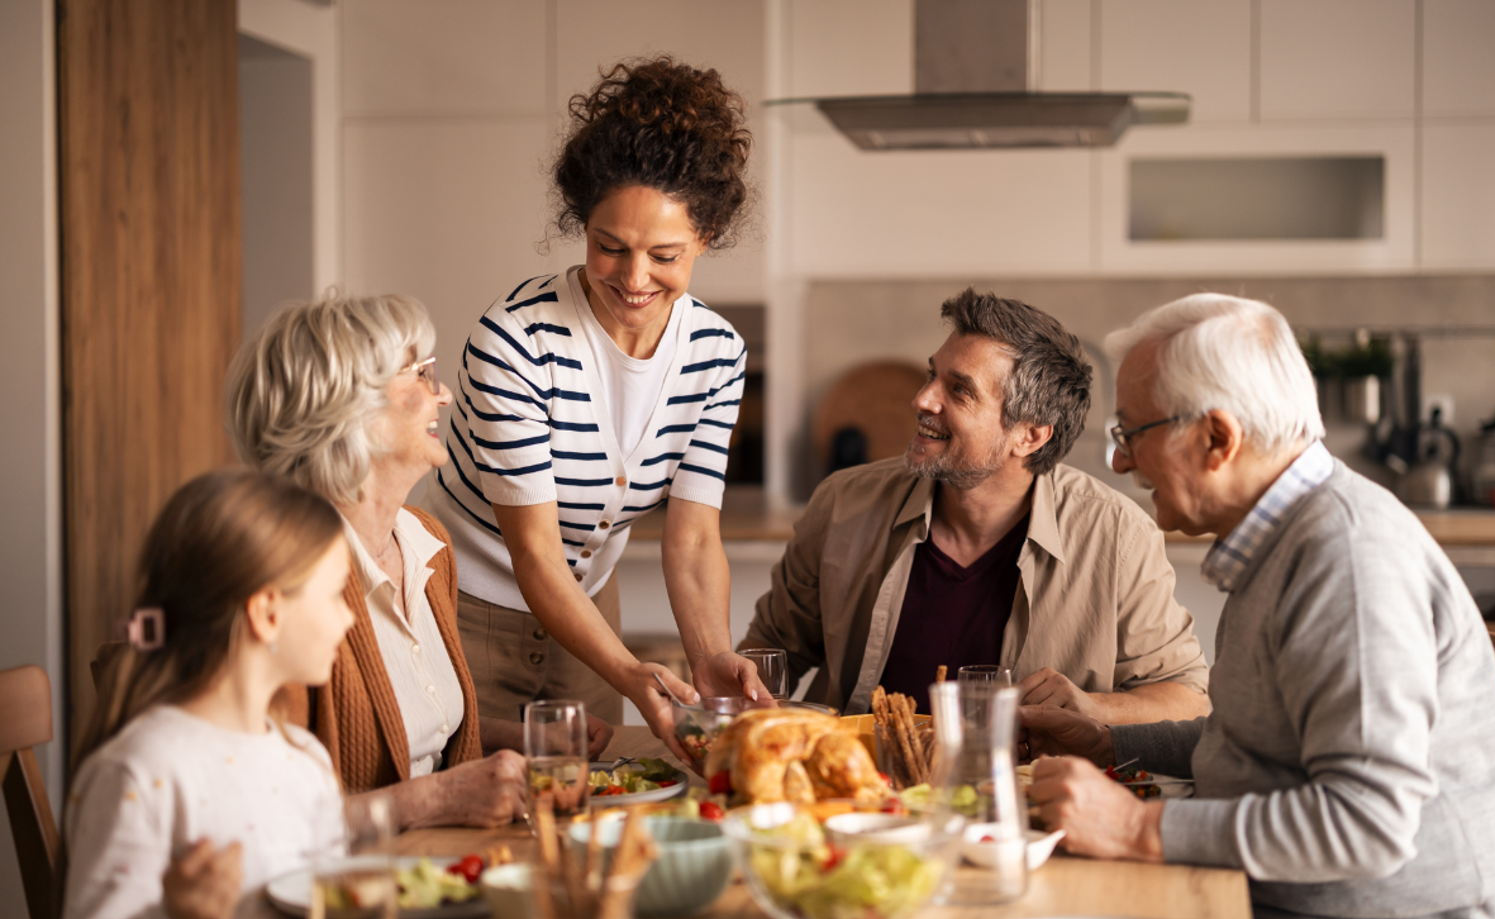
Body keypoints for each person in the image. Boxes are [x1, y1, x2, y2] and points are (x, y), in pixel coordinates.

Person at [1026, 294, 1495, 919]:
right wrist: (1105, 734)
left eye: (1131, 433)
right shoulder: (1283, 542)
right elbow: (1256, 740)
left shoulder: (1347, 559)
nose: (1122, 462)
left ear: (1216, 437)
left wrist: (1139, 832)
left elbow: (1366, 824)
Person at [425, 57, 769, 762]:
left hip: (587, 607)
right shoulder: (514, 339)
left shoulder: (716, 352)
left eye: (665, 255)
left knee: (595, 806)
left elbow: (694, 537)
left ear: (706, 238)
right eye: (609, 247)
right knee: (472, 808)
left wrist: (709, 659)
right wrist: (631, 671)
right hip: (465, 607)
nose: (634, 279)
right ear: (583, 226)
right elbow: (535, 552)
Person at [741, 288, 1210, 726]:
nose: (922, 399)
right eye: (932, 375)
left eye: (959, 390)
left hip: (1025, 802)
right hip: (863, 802)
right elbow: (769, 652)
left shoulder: (1117, 535)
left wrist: (1091, 707)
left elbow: (1188, 696)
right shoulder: (843, 503)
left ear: (1030, 435)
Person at [228, 295, 593, 829]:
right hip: (338, 896)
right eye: (421, 374)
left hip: (437, 871)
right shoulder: (279, 584)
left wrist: (527, 741)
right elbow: (251, 815)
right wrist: (433, 801)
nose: (442, 393)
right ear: (350, 409)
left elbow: (413, 729)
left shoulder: (427, 543)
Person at [51, 471, 351, 919]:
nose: (349, 617)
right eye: (336, 596)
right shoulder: (142, 773)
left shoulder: (307, 762)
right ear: (267, 612)